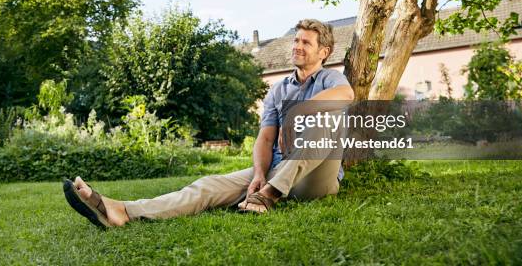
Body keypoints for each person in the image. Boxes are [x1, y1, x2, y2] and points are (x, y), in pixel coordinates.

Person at [63, 19, 354, 228]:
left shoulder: (331, 78)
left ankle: (270, 194)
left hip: (315, 178)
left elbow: (346, 95)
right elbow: (265, 139)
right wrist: (259, 173)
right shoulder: (278, 88)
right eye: (296, 40)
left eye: (306, 42)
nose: (297, 46)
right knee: (207, 185)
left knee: (328, 113)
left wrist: (297, 114)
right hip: (280, 167)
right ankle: (122, 211)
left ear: (323, 52)